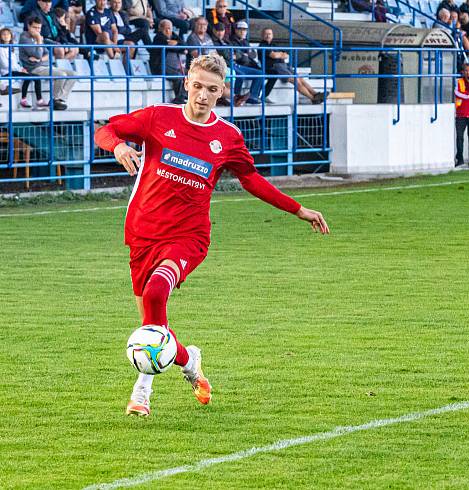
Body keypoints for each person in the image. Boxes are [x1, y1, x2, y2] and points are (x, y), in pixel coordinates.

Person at [94, 54, 330, 417]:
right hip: (142, 232)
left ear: (223, 92)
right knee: (152, 320)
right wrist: (119, 146)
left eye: (212, 89)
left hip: (188, 237)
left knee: (157, 292)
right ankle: (190, 362)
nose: (203, 95)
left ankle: (142, 390)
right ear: (186, 83)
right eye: (198, 86)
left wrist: (298, 209)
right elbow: (105, 129)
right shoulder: (159, 117)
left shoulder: (227, 137)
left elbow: (252, 179)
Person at [19, 17, 76, 110]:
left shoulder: (38, 38)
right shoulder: (24, 37)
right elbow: (38, 54)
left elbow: (48, 54)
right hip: (34, 69)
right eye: (35, 27)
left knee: (73, 74)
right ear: (28, 26)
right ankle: (54, 99)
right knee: (61, 75)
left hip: (45, 66)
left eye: (39, 28)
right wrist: (39, 40)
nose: (37, 30)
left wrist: (40, 59)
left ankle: (59, 99)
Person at [260, 27, 324, 104]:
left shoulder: (274, 44)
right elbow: (274, 55)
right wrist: (280, 54)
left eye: (269, 34)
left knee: (300, 79)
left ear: (272, 35)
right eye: (266, 34)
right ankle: (312, 98)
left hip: (284, 65)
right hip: (274, 67)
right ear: (262, 35)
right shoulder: (262, 45)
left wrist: (279, 54)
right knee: (297, 81)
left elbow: (286, 55)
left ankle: (315, 94)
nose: (268, 36)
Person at [0, 27, 45, 108]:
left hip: (15, 71)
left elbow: (15, 64)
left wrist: (21, 69)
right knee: (27, 76)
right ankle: (23, 100)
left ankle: (39, 100)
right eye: (3, 34)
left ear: (11, 36)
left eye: (8, 34)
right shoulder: (1, 49)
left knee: (37, 77)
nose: (6, 36)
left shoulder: (12, 49)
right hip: (7, 72)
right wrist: (19, 70)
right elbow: (5, 65)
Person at [150, 19, 187, 103]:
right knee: (178, 76)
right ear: (160, 29)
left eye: (169, 28)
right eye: (165, 29)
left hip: (172, 66)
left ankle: (185, 96)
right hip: (159, 66)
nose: (168, 31)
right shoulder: (158, 37)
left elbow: (184, 45)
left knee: (191, 74)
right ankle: (179, 98)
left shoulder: (173, 36)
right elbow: (169, 47)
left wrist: (177, 44)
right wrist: (179, 48)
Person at [229, 20, 263, 106]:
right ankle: (236, 97)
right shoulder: (232, 40)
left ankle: (253, 96)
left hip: (245, 65)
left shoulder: (245, 41)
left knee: (261, 73)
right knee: (239, 76)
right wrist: (245, 55)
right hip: (236, 65)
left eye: (244, 29)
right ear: (236, 30)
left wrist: (245, 54)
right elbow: (239, 56)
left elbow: (253, 54)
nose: (242, 31)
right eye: (240, 29)